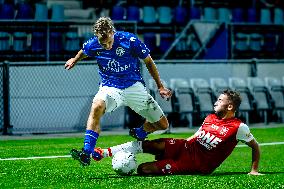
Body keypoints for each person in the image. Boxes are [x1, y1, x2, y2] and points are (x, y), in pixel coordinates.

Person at [65, 17, 172, 166]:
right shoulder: (93, 44)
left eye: (109, 41)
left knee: (163, 125)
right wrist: (74, 59)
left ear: (112, 31)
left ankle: (141, 132)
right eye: (103, 44)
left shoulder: (130, 40)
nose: (107, 46)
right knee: (96, 106)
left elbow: (148, 61)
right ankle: (86, 152)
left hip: (134, 87)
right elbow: (84, 51)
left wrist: (160, 86)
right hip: (110, 87)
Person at [93, 89, 263, 175]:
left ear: (230, 106)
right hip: (186, 147)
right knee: (153, 144)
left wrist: (254, 170)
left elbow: (255, 147)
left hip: (195, 165)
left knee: (143, 170)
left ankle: (165, 160)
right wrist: (177, 145)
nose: (215, 102)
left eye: (220, 100)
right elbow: (197, 135)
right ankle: (104, 152)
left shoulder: (238, 127)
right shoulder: (210, 117)